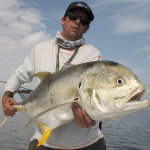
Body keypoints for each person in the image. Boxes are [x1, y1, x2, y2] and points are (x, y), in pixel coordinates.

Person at [2, 1, 106, 150]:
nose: (77, 21)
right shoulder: (39, 50)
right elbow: (18, 76)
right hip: (44, 143)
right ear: (63, 20)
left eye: (84, 21)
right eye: (73, 16)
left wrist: (93, 114)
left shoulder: (92, 55)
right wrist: (7, 95)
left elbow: (94, 94)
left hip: (88, 143)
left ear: (87, 28)